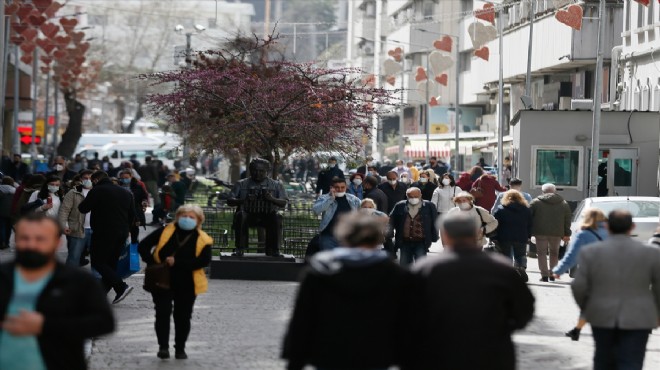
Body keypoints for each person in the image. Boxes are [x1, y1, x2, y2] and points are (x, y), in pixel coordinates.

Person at [282, 212, 410, 370]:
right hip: (376, 354)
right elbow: (406, 322)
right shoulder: (395, 274)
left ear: (343, 236)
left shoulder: (319, 272)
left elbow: (303, 319)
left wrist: (295, 361)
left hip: (328, 353)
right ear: (378, 237)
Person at [410, 213, 534, 370]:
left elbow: (408, 313)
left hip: (438, 350)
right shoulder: (501, 269)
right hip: (490, 351)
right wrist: (502, 328)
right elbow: (524, 309)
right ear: (476, 234)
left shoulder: (425, 269)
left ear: (445, 235)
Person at [0, 213, 115, 370]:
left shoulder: (78, 281)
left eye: (40, 239)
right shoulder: (3, 276)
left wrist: (45, 325)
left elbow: (104, 322)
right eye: (24, 238)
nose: (31, 245)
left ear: (57, 242)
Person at [572, 210, 660, 370]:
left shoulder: (590, 252)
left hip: (601, 314)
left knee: (603, 359)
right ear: (632, 227)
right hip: (640, 316)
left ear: (607, 226)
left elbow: (578, 285)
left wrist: (587, 307)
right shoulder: (652, 253)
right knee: (632, 361)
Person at [138, 205, 212, 360]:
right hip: (162, 280)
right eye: (184, 216)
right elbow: (143, 245)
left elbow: (204, 261)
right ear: (178, 217)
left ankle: (180, 348)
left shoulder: (203, 238)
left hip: (188, 283)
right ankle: (163, 347)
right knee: (162, 313)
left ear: (198, 220)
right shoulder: (165, 231)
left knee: (183, 316)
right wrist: (152, 262)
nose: (187, 219)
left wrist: (177, 262)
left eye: (192, 217)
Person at [78, 171, 136, 304]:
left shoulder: (97, 190)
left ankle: (121, 286)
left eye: (92, 181)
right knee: (110, 264)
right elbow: (132, 215)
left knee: (98, 262)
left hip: (103, 232)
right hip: (122, 232)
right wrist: (127, 229)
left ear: (96, 180)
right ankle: (100, 297)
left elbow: (83, 208)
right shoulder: (125, 192)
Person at [553, 208, 607, 341]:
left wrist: (558, 270)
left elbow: (572, 256)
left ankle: (579, 329)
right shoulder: (610, 232)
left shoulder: (583, 234)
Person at [227, 159, 288, 257]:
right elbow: (230, 201)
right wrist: (244, 200)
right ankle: (240, 248)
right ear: (250, 170)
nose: (257, 173)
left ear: (267, 171)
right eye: (255, 170)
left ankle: (274, 249)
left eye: (261, 171)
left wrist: (271, 199)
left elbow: (283, 203)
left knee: (277, 217)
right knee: (240, 215)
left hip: (268, 216)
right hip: (248, 215)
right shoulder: (241, 183)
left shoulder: (277, 185)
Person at [530, 183, 572, 282]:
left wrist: (530, 231)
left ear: (542, 191)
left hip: (540, 232)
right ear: (555, 191)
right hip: (557, 233)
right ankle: (553, 274)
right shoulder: (563, 203)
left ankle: (544, 275)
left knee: (541, 253)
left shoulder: (535, 202)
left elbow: (528, 216)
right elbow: (567, 219)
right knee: (554, 253)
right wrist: (567, 233)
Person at [388, 187, 438, 267]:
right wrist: (389, 234)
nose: (413, 198)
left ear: (420, 195)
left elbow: (435, 222)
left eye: (416, 196)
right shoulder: (400, 205)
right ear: (407, 196)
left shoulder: (429, 206)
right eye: (410, 196)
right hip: (405, 241)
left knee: (421, 266)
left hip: (421, 242)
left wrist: (434, 237)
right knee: (404, 266)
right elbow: (391, 220)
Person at [492, 190, 532, 281]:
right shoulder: (526, 210)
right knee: (521, 254)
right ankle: (521, 267)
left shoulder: (500, 209)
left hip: (504, 236)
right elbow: (530, 224)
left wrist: (494, 237)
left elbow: (495, 224)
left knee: (506, 255)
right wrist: (529, 236)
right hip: (521, 236)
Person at [312, 177, 361, 251]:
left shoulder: (353, 199)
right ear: (332, 188)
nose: (340, 189)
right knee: (329, 260)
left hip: (347, 236)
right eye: (337, 187)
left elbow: (365, 211)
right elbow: (316, 210)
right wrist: (331, 199)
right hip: (328, 236)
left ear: (346, 187)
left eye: (342, 187)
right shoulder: (324, 198)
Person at [58, 170, 94, 267]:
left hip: (96, 230)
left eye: (90, 178)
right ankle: (69, 279)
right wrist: (64, 225)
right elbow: (64, 210)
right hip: (77, 229)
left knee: (97, 258)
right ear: (81, 179)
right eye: (85, 178)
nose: (88, 180)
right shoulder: (73, 192)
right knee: (74, 257)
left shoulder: (98, 191)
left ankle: (97, 280)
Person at [119, 170, 149, 244]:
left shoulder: (137, 187)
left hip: (135, 212)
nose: (124, 179)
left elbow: (144, 197)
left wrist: (144, 202)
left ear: (131, 177)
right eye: (122, 178)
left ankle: (134, 246)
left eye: (126, 177)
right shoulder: (118, 187)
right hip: (122, 212)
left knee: (134, 230)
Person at [0, 177, 16, 249]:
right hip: (11, 212)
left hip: (1, 212)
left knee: (1, 227)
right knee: (8, 228)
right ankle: (7, 243)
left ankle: (2, 242)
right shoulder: (15, 190)